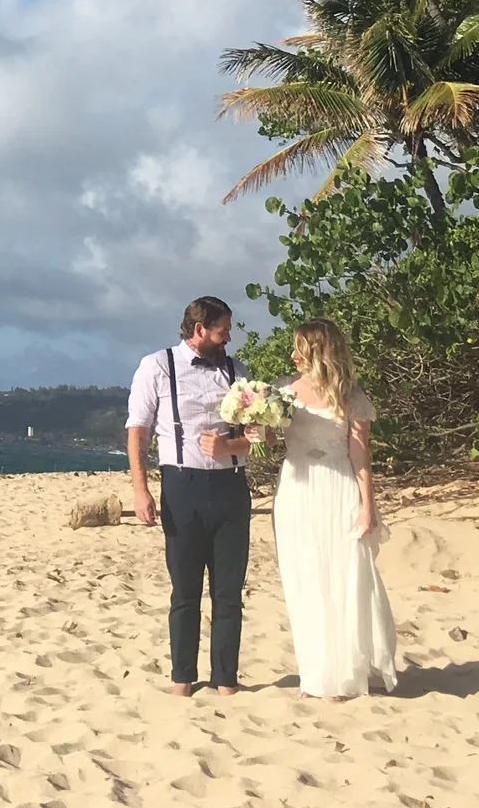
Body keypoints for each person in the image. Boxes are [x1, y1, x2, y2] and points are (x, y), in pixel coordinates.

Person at [126, 296, 254, 696]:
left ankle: (225, 680)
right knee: (185, 591)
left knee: (228, 591)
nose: (228, 339)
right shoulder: (157, 365)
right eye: (222, 331)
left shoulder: (238, 372)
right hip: (181, 487)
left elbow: (256, 438)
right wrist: (140, 489)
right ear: (200, 329)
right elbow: (138, 431)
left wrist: (229, 448)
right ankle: (183, 678)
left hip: (231, 488)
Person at [273, 319, 399, 698]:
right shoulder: (281, 391)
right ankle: (314, 675)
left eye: (300, 348)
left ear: (319, 352)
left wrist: (367, 506)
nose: (293, 356)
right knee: (304, 579)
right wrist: (254, 428)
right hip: (297, 490)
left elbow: (360, 453)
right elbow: (265, 435)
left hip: (338, 487)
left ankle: (345, 674)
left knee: (343, 577)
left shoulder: (351, 396)